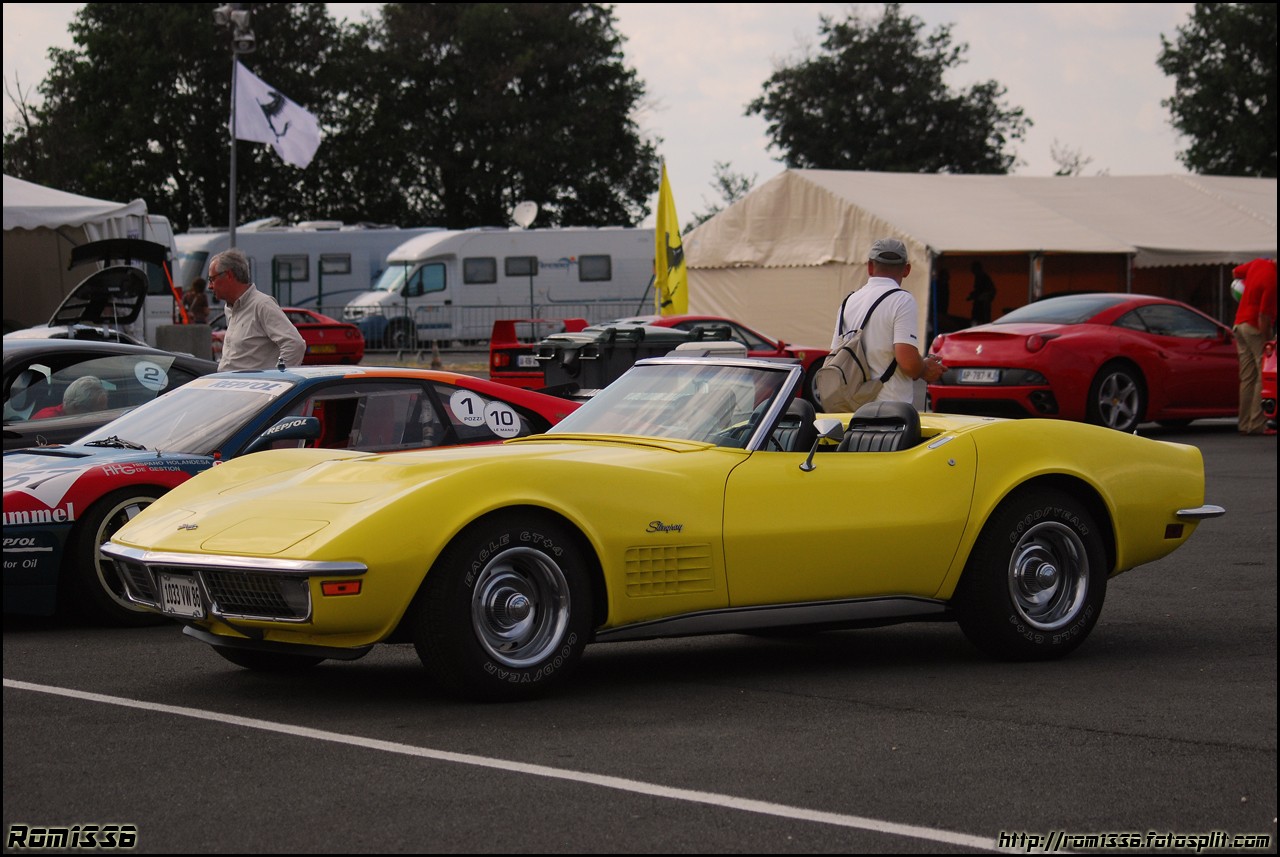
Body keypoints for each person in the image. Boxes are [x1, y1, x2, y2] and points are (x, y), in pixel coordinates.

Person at [830, 238, 945, 406]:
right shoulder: (902, 300)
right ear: (907, 270)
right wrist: (926, 369)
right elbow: (907, 362)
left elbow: (834, 354)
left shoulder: (848, 302)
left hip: (850, 407)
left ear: (870, 267)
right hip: (889, 409)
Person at [207, 248, 305, 371]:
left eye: (212, 279)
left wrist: (277, 380)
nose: (209, 286)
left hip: (251, 388)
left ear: (228, 275)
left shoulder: (262, 305)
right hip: (230, 387)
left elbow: (295, 344)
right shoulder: (230, 308)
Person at [1231, 256, 1277, 436]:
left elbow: (1235, 272)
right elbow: (1264, 318)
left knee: (1247, 376)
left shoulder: (1258, 263)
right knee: (1262, 374)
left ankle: (1244, 423)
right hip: (1254, 326)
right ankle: (1257, 423)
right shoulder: (1272, 281)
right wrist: (1269, 344)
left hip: (1239, 324)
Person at [32, 375, 109, 420]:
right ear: (75, 407)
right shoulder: (48, 420)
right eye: (98, 411)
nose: (102, 415)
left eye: (104, 410)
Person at [966, 261, 996, 325]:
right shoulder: (981, 277)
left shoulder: (982, 277)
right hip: (981, 303)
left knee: (980, 320)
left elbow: (981, 290)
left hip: (982, 304)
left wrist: (975, 296)